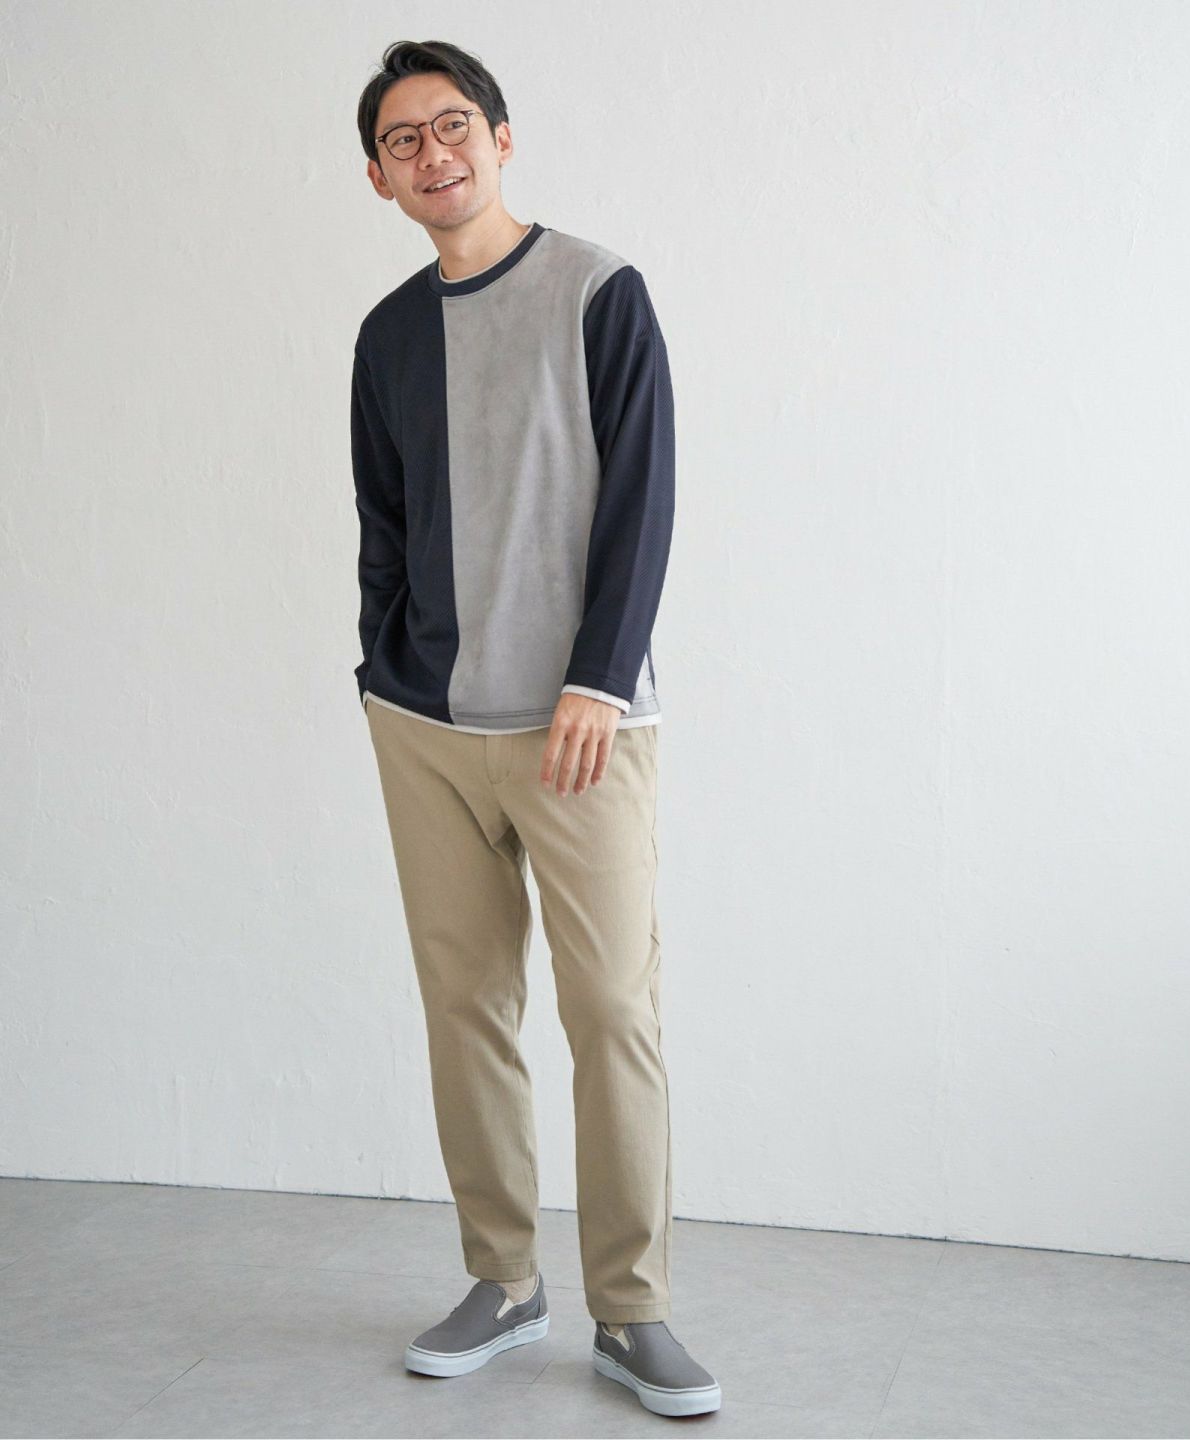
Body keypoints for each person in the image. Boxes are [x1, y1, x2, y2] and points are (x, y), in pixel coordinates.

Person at [351, 39, 720, 1419]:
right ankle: (502, 1281)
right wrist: (383, 671)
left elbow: (645, 495)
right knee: (467, 1009)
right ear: (381, 179)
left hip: (584, 727)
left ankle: (634, 1310)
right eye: (403, 140)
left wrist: (598, 680)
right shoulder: (386, 337)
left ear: (501, 139)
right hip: (427, 728)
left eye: (452, 125)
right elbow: (383, 519)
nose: (432, 153)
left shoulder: (598, 290)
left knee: (612, 1008)